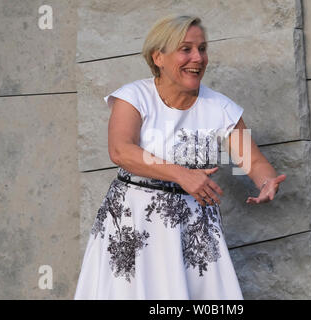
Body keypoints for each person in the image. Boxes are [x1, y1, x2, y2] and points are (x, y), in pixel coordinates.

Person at [74, 14, 286, 300]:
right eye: (185, 49)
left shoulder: (221, 108)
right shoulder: (133, 97)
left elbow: (251, 161)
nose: (197, 57)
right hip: (134, 224)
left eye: (202, 48)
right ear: (158, 57)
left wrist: (266, 181)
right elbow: (121, 151)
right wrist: (181, 174)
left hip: (194, 228)